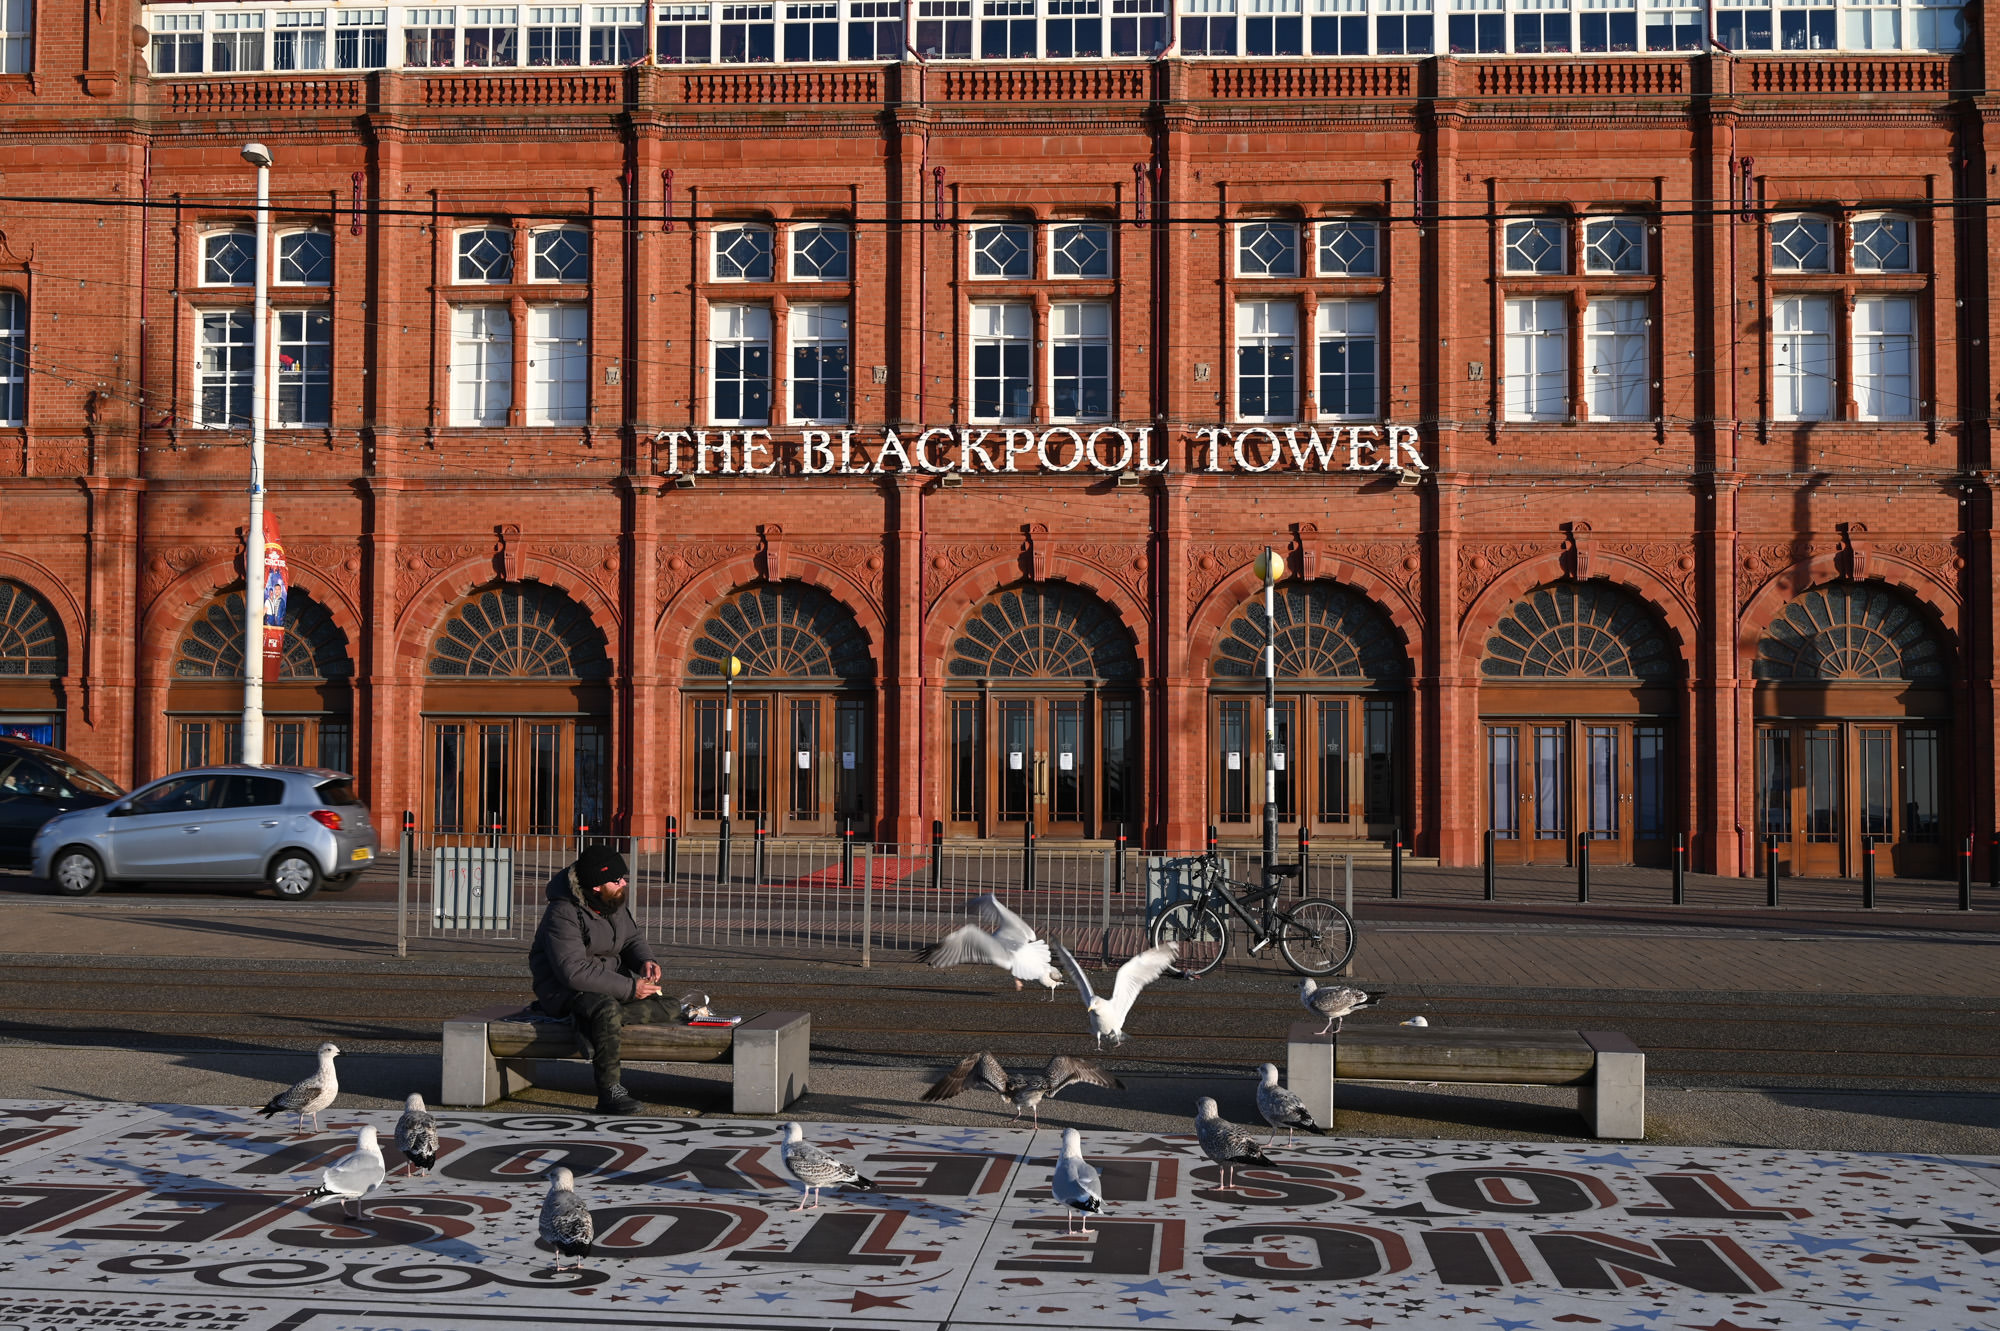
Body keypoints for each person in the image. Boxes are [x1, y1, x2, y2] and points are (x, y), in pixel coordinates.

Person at [528, 844, 677, 1115]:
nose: (624, 883)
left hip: (606, 984)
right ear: (596, 885)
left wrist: (646, 961)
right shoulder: (563, 912)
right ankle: (610, 1092)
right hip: (564, 990)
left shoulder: (613, 901)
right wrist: (631, 988)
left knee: (672, 1005)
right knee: (606, 1009)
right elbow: (573, 971)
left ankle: (587, 1026)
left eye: (624, 877)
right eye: (617, 879)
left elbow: (631, 938)